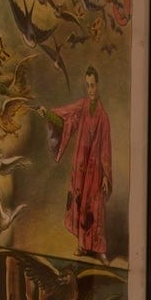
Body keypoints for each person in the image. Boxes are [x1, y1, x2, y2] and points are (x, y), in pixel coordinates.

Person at [47, 67, 113, 257]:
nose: (90, 90)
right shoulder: (82, 106)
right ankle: (83, 246)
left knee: (95, 206)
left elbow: (106, 149)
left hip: (96, 170)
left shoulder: (104, 118)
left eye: (92, 85)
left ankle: (99, 248)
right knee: (80, 202)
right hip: (81, 165)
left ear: (98, 85)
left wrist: (106, 176)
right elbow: (66, 116)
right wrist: (49, 115)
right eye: (87, 86)